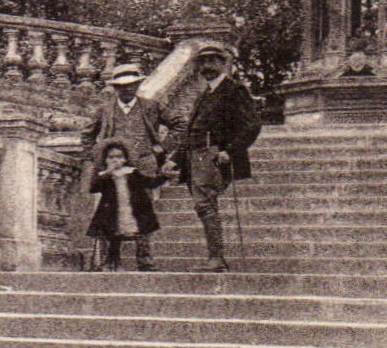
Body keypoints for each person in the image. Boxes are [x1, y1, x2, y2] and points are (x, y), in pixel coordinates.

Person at [170, 44, 260, 272]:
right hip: (194, 156)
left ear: (223, 64)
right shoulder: (205, 93)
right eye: (203, 62)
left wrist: (229, 151)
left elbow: (252, 125)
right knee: (203, 205)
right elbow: (192, 130)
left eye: (213, 61)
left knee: (205, 204)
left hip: (211, 156)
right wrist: (176, 158)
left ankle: (216, 258)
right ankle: (215, 257)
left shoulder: (234, 90)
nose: (207, 66)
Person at [80, 61, 167, 269]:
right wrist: (97, 156)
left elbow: (180, 124)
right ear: (115, 88)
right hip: (115, 169)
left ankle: (144, 257)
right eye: (122, 85)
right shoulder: (105, 110)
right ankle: (111, 258)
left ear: (138, 85)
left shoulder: (151, 106)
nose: (127, 89)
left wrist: (163, 147)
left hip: (143, 166)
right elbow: (87, 135)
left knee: (143, 210)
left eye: (132, 84)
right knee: (112, 211)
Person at [88, 142, 161, 270]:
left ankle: (145, 262)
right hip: (113, 211)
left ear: (125, 158)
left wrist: (164, 176)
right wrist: (108, 173)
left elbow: (150, 183)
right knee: (114, 235)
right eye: (111, 157)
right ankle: (112, 262)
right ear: (105, 160)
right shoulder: (104, 175)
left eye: (119, 156)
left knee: (142, 235)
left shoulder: (132, 172)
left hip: (135, 210)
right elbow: (94, 188)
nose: (115, 160)